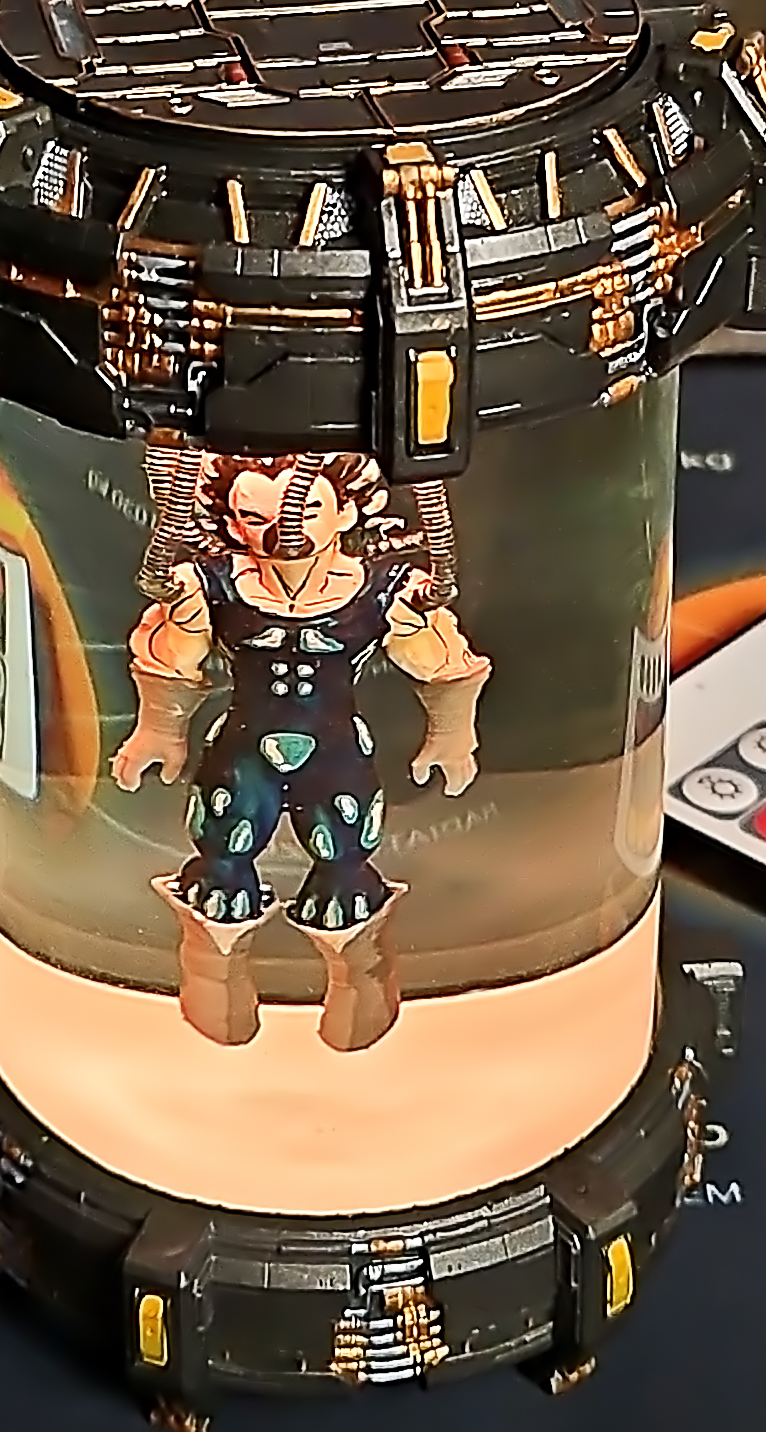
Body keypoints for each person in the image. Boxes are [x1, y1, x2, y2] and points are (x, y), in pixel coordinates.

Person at [111, 451, 489, 1053]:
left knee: (347, 874)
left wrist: (451, 733)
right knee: (220, 872)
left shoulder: (381, 591)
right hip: (242, 756)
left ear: (346, 513)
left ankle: (360, 1006)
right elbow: (172, 659)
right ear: (231, 523)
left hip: (336, 756)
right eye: (252, 516)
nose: (283, 529)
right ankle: (214, 1002)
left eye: (307, 508)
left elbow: (438, 662)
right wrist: (160, 729)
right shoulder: (213, 587)